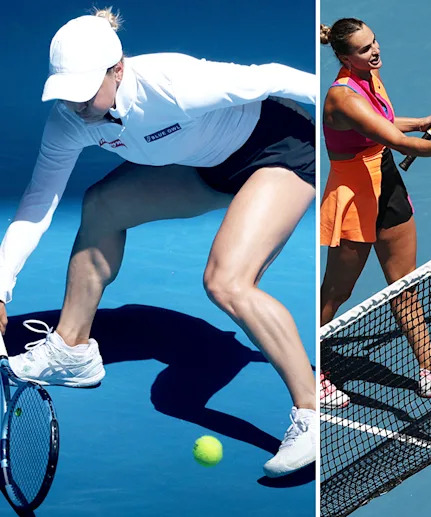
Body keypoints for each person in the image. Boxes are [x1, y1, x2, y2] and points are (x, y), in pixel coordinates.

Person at [0, 9, 319, 477]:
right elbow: (36, 205)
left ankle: (311, 413)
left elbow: (273, 77)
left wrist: (358, 120)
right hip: (207, 166)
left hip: (279, 150)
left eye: (85, 91)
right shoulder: (69, 121)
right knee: (102, 205)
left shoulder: (173, 82)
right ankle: (72, 350)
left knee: (226, 281)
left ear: (118, 69)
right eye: (66, 93)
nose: (76, 105)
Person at [318, 18, 431, 409]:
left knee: (402, 285)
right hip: (354, 196)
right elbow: (393, 139)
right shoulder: (342, 97)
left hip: (387, 185)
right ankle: (311, 371)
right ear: (344, 57)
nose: (374, 51)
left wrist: (422, 122)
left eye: (374, 42)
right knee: (336, 292)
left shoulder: (371, 76)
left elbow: (385, 125)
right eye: (363, 49)